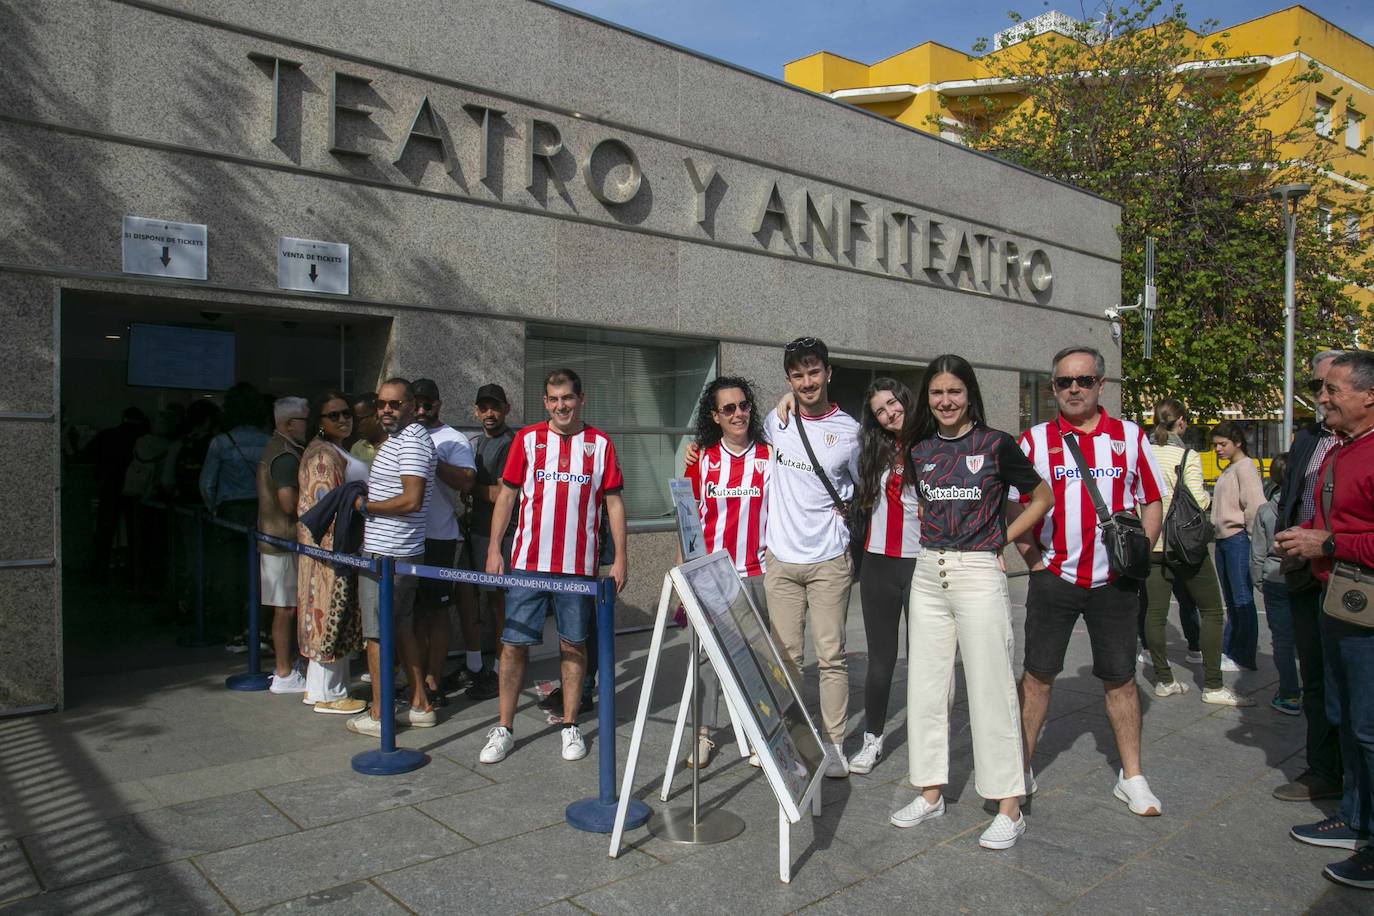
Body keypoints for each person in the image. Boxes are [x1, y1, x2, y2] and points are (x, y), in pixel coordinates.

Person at [891, 355, 1053, 850]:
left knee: (991, 689)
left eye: (954, 392)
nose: (945, 402)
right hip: (928, 573)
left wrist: (1000, 539)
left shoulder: (997, 444)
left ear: (969, 394)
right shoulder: (918, 449)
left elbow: (1042, 496)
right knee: (926, 689)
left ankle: (1009, 804)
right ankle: (931, 791)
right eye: (936, 393)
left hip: (979, 573)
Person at [1010, 346, 1166, 816]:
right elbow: (1014, 506)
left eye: (1083, 380)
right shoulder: (1034, 441)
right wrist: (1032, 558)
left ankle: (1132, 775)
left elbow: (1152, 500)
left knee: (1120, 679)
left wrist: (1137, 557)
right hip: (1054, 576)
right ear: (1052, 386)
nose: (1073, 389)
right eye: (1063, 382)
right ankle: (1020, 768)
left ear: (1101, 384)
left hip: (1114, 583)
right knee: (1037, 676)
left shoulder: (1130, 437)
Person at [479, 368, 628, 765]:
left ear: (581, 399)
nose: (561, 405)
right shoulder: (527, 441)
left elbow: (613, 503)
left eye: (568, 398)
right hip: (527, 563)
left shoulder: (601, 444)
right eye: (553, 398)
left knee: (573, 643)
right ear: (545, 402)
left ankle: (570, 724)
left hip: (578, 567)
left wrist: (620, 558)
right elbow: (507, 497)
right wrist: (495, 548)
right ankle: (504, 727)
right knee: (513, 645)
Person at [1279, 349, 1374, 890]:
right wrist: (1306, 541)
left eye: (1333, 389)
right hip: (1335, 599)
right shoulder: (1341, 448)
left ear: (1369, 395)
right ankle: (1356, 818)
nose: (1322, 397)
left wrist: (1328, 541)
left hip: (1365, 608)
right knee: (1347, 717)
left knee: (1368, 727)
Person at [764, 337, 860, 777]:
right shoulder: (775, 421)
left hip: (828, 561)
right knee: (784, 658)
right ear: (788, 379)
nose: (806, 382)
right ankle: (792, 740)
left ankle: (834, 744)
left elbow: (863, 492)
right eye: (797, 375)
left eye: (813, 372)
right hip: (781, 560)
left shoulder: (850, 432)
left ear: (828, 373)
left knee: (831, 656)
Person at [681, 376, 771, 768]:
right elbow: (688, 520)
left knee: (758, 655)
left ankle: (759, 730)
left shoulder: (771, 456)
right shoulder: (701, 459)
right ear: (715, 416)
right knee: (704, 659)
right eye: (728, 408)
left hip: (759, 571)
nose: (738, 414)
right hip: (711, 575)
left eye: (743, 405)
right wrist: (685, 574)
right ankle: (703, 735)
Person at [1273, 350, 1347, 803]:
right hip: (1304, 570)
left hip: (1351, 570)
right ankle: (1323, 769)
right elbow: (1293, 492)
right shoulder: (1308, 438)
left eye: (1330, 388)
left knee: (1351, 679)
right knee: (1314, 674)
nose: (1320, 397)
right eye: (1317, 386)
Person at [1141, 399, 1248, 706]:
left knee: (1155, 613)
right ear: (1182, 423)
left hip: (1151, 543)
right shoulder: (1187, 455)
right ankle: (1213, 685)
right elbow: (1199, 500)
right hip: (1184, 545)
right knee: (1213, 610)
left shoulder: (1142, 454)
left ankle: (1164, 680)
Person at [347, 378, 438, 737]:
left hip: (388, 553)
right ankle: (419, 703)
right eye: (381, 404)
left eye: (394, 404)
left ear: (412, 405)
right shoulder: (401, 440)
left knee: (377, 635)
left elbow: (412, 498)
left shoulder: (412, 442)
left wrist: (367, 506)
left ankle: (381, 712)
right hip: (397, 551)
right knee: (400, 628)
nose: (385, 410)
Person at [850, 378, 920, 775]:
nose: (890, 413)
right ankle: (872, 740)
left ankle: (930, 745)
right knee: (881, 661)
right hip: (877, 566)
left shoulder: (932, 443)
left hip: (919, 564)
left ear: (905, 400)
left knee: (926, 662)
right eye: (880, 410)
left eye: (893, 403)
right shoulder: (872, 450)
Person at [296, 391, 368, 714]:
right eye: (334, 415)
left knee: (330, 618)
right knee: (330, 618)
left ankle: (319, 689)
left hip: (334, 551)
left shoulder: (333, 449)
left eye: (346, 413)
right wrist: (336, 554)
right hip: (331, 552)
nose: (343, 419)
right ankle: (330, 693)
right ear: (320, 421)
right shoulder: (323, 455)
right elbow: (325, 507)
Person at [410, 379, 477, 706]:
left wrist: (432, 458)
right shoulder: (402, 435)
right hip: (406, 538)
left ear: (439, 404)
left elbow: (467, 481)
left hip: (439, 537)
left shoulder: (453, 439)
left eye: (428, 404)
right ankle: (413, 678)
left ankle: (433, 680)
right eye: (416, 404)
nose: (422, 410)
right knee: (411, 612)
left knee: (436, 612)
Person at [200, 383, 270, 637]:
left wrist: (214, 508)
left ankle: (234, 631)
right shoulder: (268, 441)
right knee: (260, 572)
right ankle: (259, 627)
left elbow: (207, 484)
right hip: (260, 510)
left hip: (230, 511)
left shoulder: (221, 442)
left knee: (231, 573)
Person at [466, 383, 516, 701]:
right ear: (476, 411)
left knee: (500, 604)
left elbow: (502, 494)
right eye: (484, 407)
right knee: (480, 601)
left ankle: (500, 671)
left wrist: (467, 487)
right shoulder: (477, 443)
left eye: (495, 407)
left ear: (506, 409)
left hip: (503, 536)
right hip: (478, 532)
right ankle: (478, 667)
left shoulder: (509, 445)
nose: (489, 413)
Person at [257, 397, 309, 693]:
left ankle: (285, 668)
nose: (308, 425)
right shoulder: (285, 455)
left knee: (285, 607)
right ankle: (284, 672)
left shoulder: (280, 449)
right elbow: (289, 504)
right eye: (304, 420)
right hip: (282, 541)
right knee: (285, 609)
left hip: (276, 540)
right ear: (289, 424)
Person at [1210, 419, 1265, 672]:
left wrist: (1255, 540)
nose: (1218, 449)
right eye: (1215, 445)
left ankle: (1244, 655)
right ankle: (1231, 650)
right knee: (1231, 599)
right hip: (1223, 540)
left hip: (1238, 539)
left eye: (1223, 444)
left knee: (1242, 599)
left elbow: (1254, 506)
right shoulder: (1230, 468)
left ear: (1237, 443)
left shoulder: (1245, 468)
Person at [1252, 453, 1300, 715]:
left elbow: (1257, 552)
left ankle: (1290, 694)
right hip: (1303, 575)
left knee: (1281, 639)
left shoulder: (1265, 510)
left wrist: (1258, 579)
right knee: (1307, 635)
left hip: (1274, 576)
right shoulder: (1305, 506)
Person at [89, 407, 149, 583]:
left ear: (123, 417)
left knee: (104, 531)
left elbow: (88, 454)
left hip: (109, 487)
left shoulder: (107, 435)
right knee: (136, 533)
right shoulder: (145, 438)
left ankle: (98, 571)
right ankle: (134, 573)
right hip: (135, 489)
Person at [349, 392, 385, 466]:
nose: (355, 425)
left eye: (359, 420)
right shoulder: (357, 448)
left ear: (377, 416)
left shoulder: (397, 445)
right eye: (354, 421)